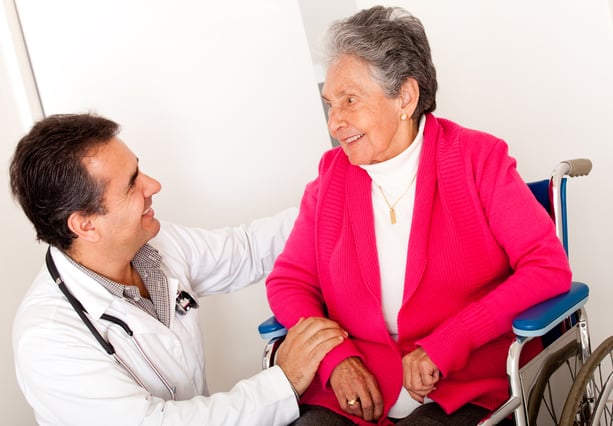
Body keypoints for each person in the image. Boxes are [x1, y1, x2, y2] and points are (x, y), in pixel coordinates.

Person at [266, 5, 572, 426]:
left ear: (405, 98)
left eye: (350, 100)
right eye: (330, 103)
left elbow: (547, 268)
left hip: (463, 381)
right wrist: (335, 359)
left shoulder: (478, 160)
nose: (335, 122)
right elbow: (289, 282)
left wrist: (449, 341)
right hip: (356, 386)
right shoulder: (331, 177)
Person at [9, 113, 348, 426]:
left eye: (139, 169)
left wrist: (334, 196)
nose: (153, 185)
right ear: (85, 225)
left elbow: (247, 250)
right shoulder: (48, 340)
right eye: (131, 184)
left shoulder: (152, 245)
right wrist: (283, 381)